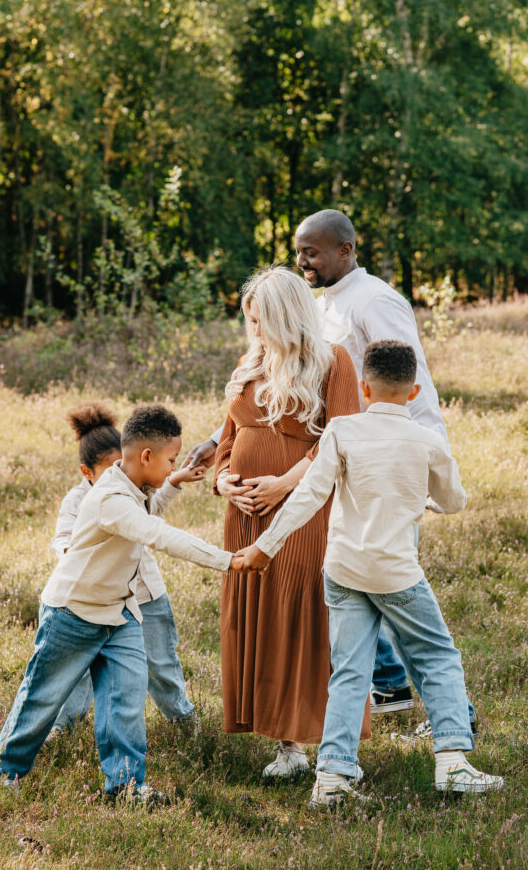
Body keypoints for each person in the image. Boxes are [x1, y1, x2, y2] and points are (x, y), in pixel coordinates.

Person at [185, 209, 472, 728]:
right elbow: (262, 402)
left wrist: (428, 464)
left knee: (391, 591)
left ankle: (452, 714)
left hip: (375, 466)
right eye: (298, 252)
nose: (302, 262)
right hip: (324, 472)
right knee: (354, 592)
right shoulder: (318, 307)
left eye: (311, 252)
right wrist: (217, 451)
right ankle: (387, 691)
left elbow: (412, 382)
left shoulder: (376, 301)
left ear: (346, 248)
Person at [234, 340, 503, 804]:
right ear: (414, 391)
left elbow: (308, 497)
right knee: (438, 657)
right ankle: (453, 763)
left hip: (341, 570)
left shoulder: (341, 431)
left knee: (349, 671)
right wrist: (427, 499)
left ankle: (334, 777)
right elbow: (455, 501)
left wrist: (264, 546)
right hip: (397, 573)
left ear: (363, 386)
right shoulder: (426, 440)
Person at [0, 404, 239, 802]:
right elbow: (159, 535)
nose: (172, 466)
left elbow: (150, 520)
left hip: (121, 612)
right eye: (170, 460)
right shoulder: (110, 498)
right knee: (42, 697)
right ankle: (7, 773)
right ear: (146, 457)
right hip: (73, 613)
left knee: (124, 701)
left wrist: (172, 480)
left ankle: (125, 786)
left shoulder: (136, 489)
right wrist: (229, 560)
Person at [214, 267, 368, 777]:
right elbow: (228, 438)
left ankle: (323, 740)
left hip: (304, 511)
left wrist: (284, 484)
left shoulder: (332, 362)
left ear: (286, 316)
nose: (253, 330)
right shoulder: (249, 363)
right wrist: (223, 482)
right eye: (249, 320)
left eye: (260, 321)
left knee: (301, 617)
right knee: (257, 614)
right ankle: (285, 745)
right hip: (244, 516)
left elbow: (339, 439)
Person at [49, 403, 203, 735]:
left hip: (147, 595)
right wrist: (70, 555)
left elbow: (153, 513)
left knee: (161, 664)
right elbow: (62, 537)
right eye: (108, 468)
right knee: (78, 670)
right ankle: (62, 728)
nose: (119, 471)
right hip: (96, 599)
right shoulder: (79, 501)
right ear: (86, 473)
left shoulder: (137, 487)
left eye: (122, 463)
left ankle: (184, 722)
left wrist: (174, 479)